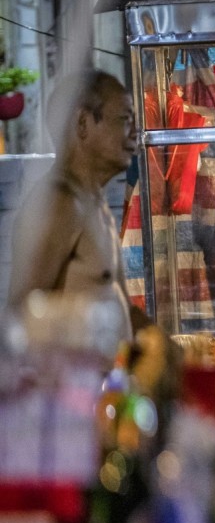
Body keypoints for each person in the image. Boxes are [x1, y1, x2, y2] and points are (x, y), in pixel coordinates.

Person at [8, 70, 138, 342]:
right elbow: (20, 318)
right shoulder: (60, 203)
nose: (135, 134)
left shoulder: (93, 201)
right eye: (125, 120)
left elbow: (122, 307)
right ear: (82, 123)